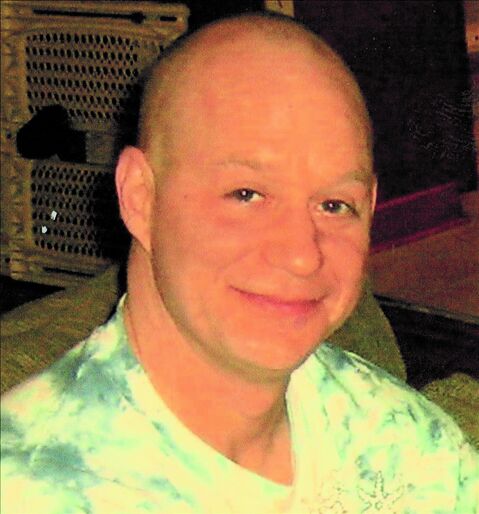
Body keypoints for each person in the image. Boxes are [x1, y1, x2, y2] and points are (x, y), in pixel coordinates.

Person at [1, 12, 478, 514]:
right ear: (140, 197)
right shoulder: (32, 487)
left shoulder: (412, 452)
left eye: (334, 205)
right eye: (247, 194)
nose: (302, 254)